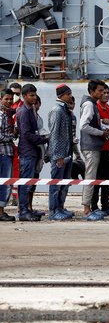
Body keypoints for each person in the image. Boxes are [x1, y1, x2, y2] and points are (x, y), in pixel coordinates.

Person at [80, 80, 109, 220]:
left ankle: (88, 207)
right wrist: (101, 133)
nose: (101, 93)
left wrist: (101, 123)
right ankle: (87, 209)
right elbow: (84, 126)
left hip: (93, 146)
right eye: (99, 90)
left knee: (92, 177)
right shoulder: (89, 105)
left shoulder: (92, 105)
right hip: (91, 147)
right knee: (90, 177)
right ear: (92, 92)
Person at [16, 84, 48, 221]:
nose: (34, 97)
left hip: (32, 152)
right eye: (31, 95)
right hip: (27, 152)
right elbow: (26, 134)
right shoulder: (24, 112)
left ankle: (27, 209)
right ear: (24, 96)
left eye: (35, 95)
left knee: (29, 183)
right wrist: (44, 139)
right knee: (25, 183)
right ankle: (23, 211)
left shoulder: (30, 111)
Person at [47, 84, 75, 220]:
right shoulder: (57, 110)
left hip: (67, 153)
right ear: (61, 95)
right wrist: (58, 155)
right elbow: (54, 134)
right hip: (60, 154)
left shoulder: (65, 110)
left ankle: (60, 207)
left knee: (64, 183)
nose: (70, 96)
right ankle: (54, 211)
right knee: (56, 184)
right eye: (68, 94)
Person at [90, 84, 109, 216]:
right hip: (99, 148)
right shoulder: (96, 108)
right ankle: (94, 205)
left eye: (108, 92)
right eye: (103, 92)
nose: (106, 95)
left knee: (108, 178)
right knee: (97, 178)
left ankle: (105, 205)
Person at [0, 89, 15, 221]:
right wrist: (12, 136)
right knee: (4, 183)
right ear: (1, 99)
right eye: (6, 99)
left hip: (6, 152)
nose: (9, 101)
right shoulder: (1, 115)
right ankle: (0, 212)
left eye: (11, 99)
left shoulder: (7, 114)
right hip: (3, 153)